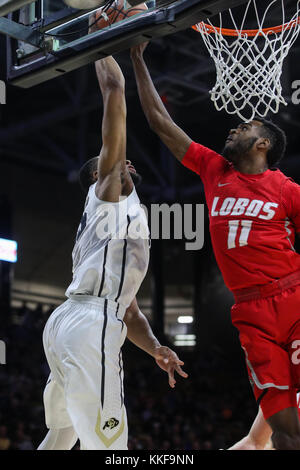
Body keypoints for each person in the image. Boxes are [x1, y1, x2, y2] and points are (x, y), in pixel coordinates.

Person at [131, 42, 300, 450]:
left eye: (246, 128)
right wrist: (137, 57)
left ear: (263, 145)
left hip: (293, 298)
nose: (234, 128)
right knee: (286, 435)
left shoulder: (287, 190)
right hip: (249, 313)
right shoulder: (214, 169)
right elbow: (160, 122)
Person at [38, 55, 187, 451]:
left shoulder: (122, 219)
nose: (126, 160)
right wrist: (102, 43)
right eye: (118, 161)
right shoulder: (107, 195)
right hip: (89, 323)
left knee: (63, 434)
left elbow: (132, 310)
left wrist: (155, 347)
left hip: (74, 321)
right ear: (98, 176)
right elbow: (114, 92)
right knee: (108, 446)